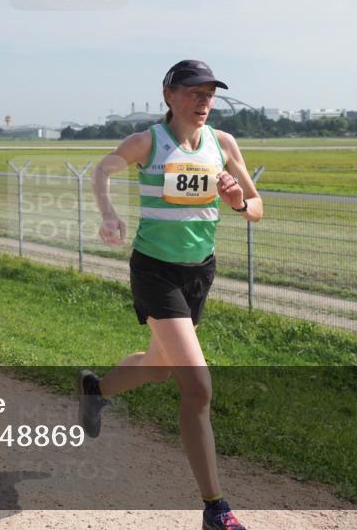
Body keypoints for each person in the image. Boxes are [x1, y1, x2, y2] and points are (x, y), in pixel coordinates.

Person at [80, 60, 262, 530]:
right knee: (197, 386)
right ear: (169, 95)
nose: (203, 103)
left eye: (209, 95)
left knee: (159, 366)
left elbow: (257, 207)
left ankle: (96, 390)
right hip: (155, 271)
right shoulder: (148, 142)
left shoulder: (222, 145)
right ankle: (215, 508)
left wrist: (236, 200)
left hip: (199, 274)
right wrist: (108, 215)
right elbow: (101, 171)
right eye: (194, 93)